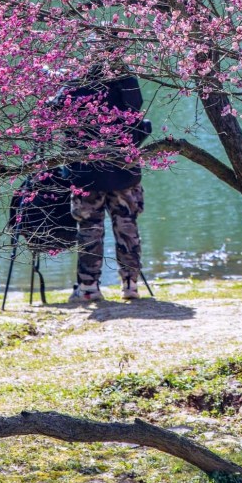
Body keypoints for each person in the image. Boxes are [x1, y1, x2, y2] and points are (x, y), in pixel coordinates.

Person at [62, 59, 152, 304]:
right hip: (125, 171)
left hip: (86, 173)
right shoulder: (128, 82)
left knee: (90, 228)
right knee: (127, 225)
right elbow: (137, 115)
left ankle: (89, 286)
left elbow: (57, 113)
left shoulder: (74, 83)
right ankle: (130, 283)